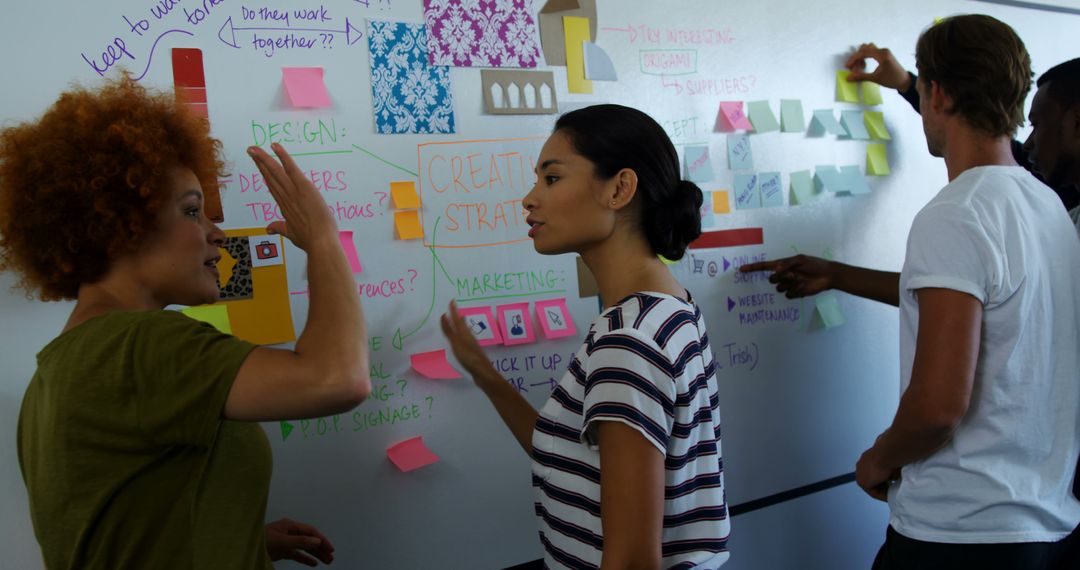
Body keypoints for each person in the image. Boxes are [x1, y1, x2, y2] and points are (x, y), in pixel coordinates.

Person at [749, 15, 1080, 569]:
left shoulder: (957, 213)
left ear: (938, 93)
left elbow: (936, 407)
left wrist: (876, 462)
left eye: (922, 85)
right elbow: (987, 304)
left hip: (960, 535)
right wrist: (838, 274)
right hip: (1043, 527)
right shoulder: (1046, 206)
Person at [0, 75, 371, 568]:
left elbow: (118, 530)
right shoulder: (138, 344)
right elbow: (337, 379)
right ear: (121, 225)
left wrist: (241, 536)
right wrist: (323, 238)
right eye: (192, 211)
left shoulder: (55, 372)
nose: (215, 234)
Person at [440, 104, 730, 569]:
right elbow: (562, 451)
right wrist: (486, 375)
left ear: (619, 189)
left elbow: (633, 561)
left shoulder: (629, 342)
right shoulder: (666, 309)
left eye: (552, 179)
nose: (529, 199)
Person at [845, 44, 1080, 214]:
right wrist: (909, 85)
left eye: (1037, 125)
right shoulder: (1054, 203)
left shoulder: (960, 213)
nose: (1029, 144)